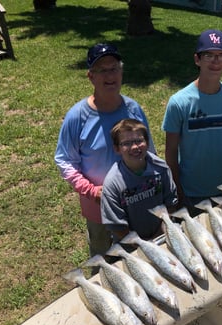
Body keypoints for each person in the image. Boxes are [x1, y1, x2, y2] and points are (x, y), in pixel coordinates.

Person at [54, 43, 155, 260]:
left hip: (134, 200)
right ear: (91, 76)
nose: (110, 75)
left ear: (121, 72)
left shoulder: (133, 109)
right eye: (102, 70)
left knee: (134, 253)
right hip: (97, 206)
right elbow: (64, 161)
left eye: (114, 68)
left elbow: (150, 151)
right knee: (102, 255)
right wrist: (91, 191)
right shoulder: (77, 117)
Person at [162, 29, 222, 216]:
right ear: (197, 59)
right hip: (191, 193)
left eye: (221, 55)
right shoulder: (179, 102)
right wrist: (178, 188)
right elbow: (170, 151)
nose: (215, 61)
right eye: (209, 55)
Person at [101, 119, 177, 243]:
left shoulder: (161, 168)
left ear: (147, 143)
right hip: (130, 245)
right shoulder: (112, 183)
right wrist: (143, 244)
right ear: (117, 149)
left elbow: (171, 204)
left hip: (163, 234)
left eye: (139, 141)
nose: (134, 147)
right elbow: (117, 226)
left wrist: (159, 235)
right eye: (126, 143)